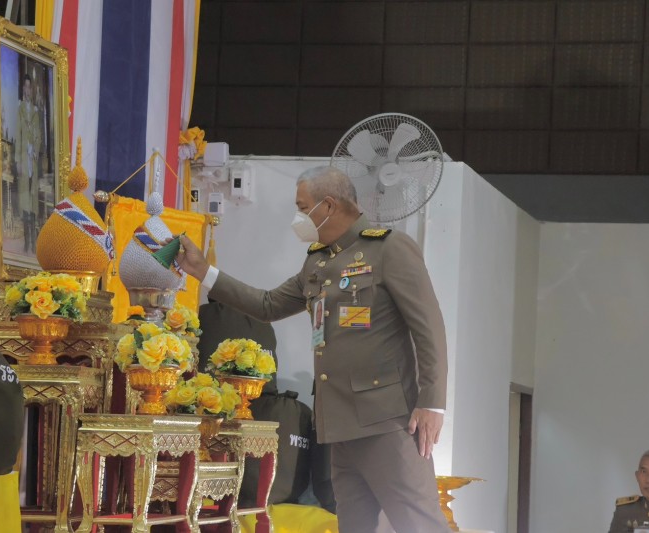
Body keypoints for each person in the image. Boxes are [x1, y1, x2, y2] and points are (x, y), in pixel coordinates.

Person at [176, 166, 450, 533]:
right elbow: (268, 305)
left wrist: (432, 402)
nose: (299, 216)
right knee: (353, 527)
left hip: (387, 422)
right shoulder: (318, 261)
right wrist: (203, 271)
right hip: (338, 426)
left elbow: (428, 326)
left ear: (329, 206)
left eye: (303, 207)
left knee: (419, 525)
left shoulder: (389, 249)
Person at [14, 73, 42, 253]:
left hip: (33, 160)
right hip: (24, 159)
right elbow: (18, 134)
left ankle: (33, 242)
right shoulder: (20, 110)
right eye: (25, 86)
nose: (27, 90)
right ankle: (26, 242)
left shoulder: (35, 112)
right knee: (25, 199)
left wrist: (36, 150)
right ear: (22, 89)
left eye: (29, 87)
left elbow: (38, 135)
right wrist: (18, 159)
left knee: (33, 200)